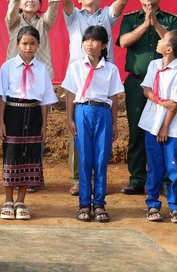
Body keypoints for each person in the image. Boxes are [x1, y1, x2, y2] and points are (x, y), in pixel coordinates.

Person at [60, 0, 141, 196]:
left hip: (103, 77)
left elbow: (123, 0)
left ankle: (98, 178)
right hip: (79, 79)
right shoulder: (73, 16)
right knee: (77, 132)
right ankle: (77, 178)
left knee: (101, 136)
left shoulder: (106, 15)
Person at [116, 0, 177, 196]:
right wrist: (145, 24)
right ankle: (137, 178)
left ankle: (163, 178)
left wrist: (156, 24)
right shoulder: (131, 19)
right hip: (136, 83)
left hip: (165, 85)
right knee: (137, 132)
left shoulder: (171, 20)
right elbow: (123, 42)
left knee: (165, 130)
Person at [63, 25, 124, 223]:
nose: (90, 44)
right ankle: (83, 204)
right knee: (84, 159)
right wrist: (70, 118)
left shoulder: (111, 69)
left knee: (100, 160)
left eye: (95, 40)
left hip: (103, 113)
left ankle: (99, 203)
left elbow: (113, 97)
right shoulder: (75, 67)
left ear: (104, 45)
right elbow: (71, 94)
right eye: (86, 40)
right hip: (82, 111)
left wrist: (114, 123)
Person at [0, 26, 57, 221]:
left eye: (32, 43)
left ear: (38, 45)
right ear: (17, 44)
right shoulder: (7, 67)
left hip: (33, 115)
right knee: (11, 156)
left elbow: (45, 100)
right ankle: (8, 200)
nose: (28, 47)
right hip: (13, 113)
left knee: (30, 156)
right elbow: (2, 98)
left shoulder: (42, 69)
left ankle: (21, 201)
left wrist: (43, 126)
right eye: (24, 43)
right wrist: (1, 123)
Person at [139, 30, 177, 224]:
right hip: (152, 124)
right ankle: (152, 203)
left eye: (162, 40)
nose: (158, 41)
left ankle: (176, 205)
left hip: (173, 128)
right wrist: (162, 103)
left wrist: (165, 127)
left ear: (169, 49)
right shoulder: (154, 65)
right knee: (154, 166)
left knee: (175, 167)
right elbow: (146, 89)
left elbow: (176, 104)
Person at [4, 0, 63, 79]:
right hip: (15, 74)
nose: (30, 0)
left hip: (40, 75)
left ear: (40, 4)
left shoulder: (44, 22)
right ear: (19, 5)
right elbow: (12, 8)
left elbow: (53, 8)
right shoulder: (14, 22)